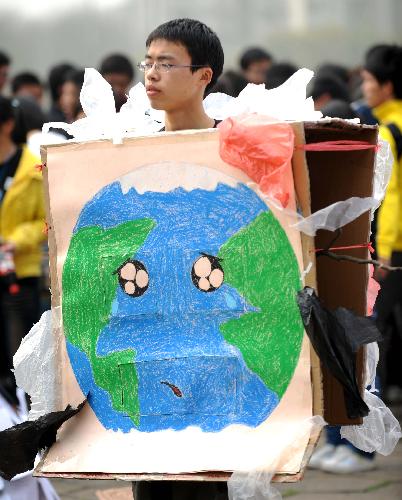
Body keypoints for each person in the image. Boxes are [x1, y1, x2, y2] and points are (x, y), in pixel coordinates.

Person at [132, 18, 227, 500]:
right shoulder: (125, 149)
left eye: (166, 63)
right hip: (145, 339)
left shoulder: (232, 150)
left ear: (203, 75)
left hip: (215, 343)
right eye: (147, 63)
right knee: (149, 478)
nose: (151, 73)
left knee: (205, 480)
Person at [361, 44, 402, 402]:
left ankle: (372, 417)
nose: (365, 89)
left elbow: (391, 196)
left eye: (369, 81)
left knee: (373, 330)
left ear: (386, 86)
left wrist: (384, 249)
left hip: (395, 248)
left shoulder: (388, 130)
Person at [0, 96, 46, 385]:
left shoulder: (32, 169)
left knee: (21, 363)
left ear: (7, 124)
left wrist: (17, 240)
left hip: (19, 273)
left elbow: (48, 220)